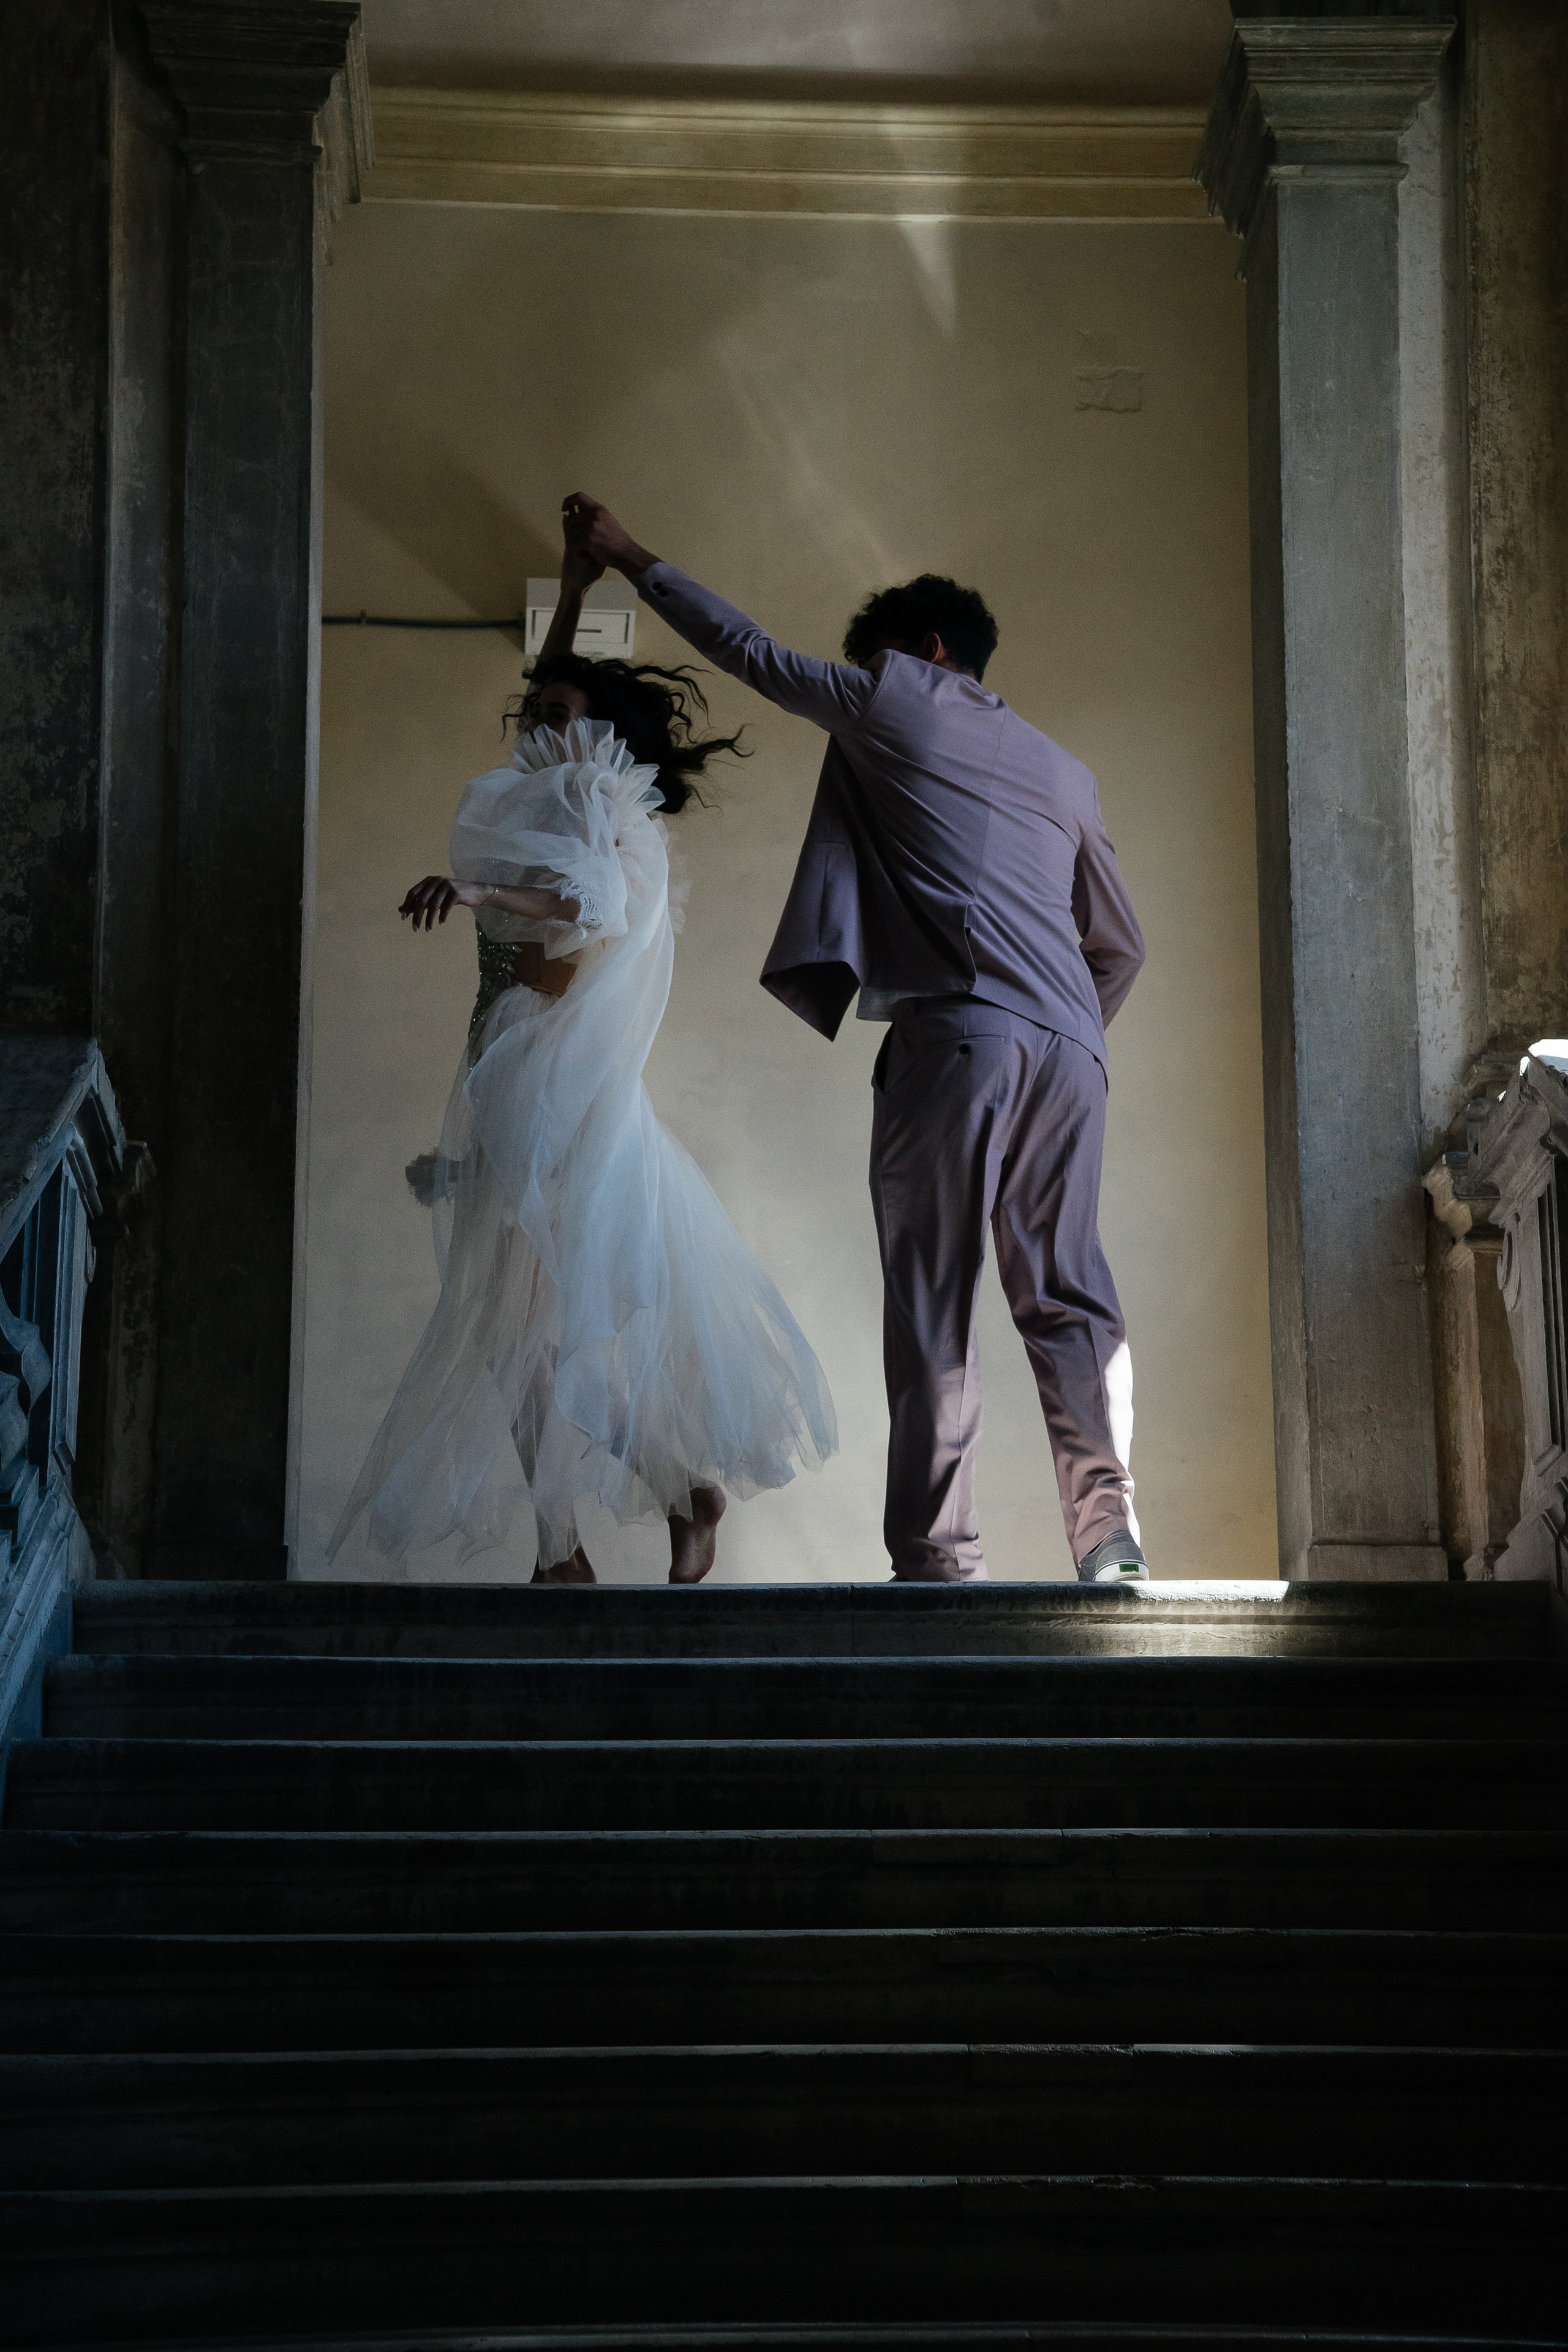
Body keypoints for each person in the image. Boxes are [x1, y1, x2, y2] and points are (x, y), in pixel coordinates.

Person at [560, 491, 1147, 1586]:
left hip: (960, 1037)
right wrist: (1054, 1033)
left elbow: (747, 653)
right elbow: (1124, 947)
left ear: (923, 653)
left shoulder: (896, 704)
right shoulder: (1069, 773)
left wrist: (627, 553)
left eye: (878, 663)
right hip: (1075, 1051)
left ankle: (938, 1555)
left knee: (935, 1295)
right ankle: (1108, 1536)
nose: (865, 685)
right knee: (1070, 1296)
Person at [328, 532, 837, 1586]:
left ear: (599, 736)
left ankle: (624, 1517)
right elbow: (550, 702)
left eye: (560, 716)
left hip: (546, 1083)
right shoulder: (569, 790)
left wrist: (477, 894)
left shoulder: (599, 805)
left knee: (515, 1330)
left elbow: (586, 908)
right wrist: (570, 585)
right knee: (510, 1335)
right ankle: (582, 1543)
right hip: (513, 1075)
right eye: (540, 711)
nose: (535, 724)